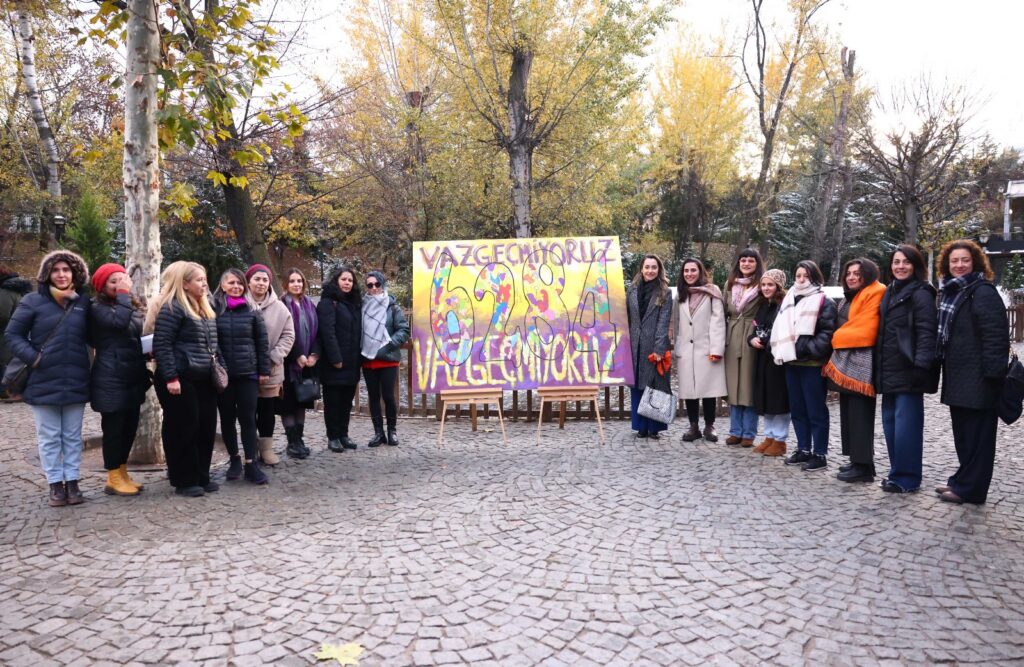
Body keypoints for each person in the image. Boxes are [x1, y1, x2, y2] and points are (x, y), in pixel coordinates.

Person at [4, 251, 91, 506]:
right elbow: (13, 335)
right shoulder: (32, 301)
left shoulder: (83, 303)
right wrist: (34, 358)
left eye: (66, 270)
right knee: (50, 435)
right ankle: (55, 484)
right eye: (56, 270)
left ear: (74, 273)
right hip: (43, 378)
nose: (62, 275)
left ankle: (72, 482)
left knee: (73, 436)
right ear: (47, 274)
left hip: (75, 377)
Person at [935, 239, 1009, 505]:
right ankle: (961, 480)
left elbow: (996, 337)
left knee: (978, 439)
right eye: (954, 260)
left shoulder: (983, 292)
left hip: (979, 380)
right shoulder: (954, 292)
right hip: (959, 378)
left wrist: (992, 379)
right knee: (964, 436)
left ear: (975, 262)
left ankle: (972, 490)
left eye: (965, 260)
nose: (959, 265)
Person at [147, 261, 220, 498]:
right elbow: (162, 344)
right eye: (199, 279)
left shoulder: (206, 308)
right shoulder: (172, 307)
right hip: (180, 378)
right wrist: (171, 377)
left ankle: (201, 475)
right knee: (183, 429)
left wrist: (220, 369)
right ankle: (184, 479)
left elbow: (214, 345)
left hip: (203, 377)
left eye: (204, 278)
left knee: (205, 427)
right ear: (185, 284)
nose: (204, 283)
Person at [874, 245, 937, 494]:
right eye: (896, 262)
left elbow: (926, 331)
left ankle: (907, 478)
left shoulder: (921, 292)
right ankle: (896, 472)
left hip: (909, 370)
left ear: (916, 265)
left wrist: (921, 366)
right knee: (891, 425)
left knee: (907, 428)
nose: (900, 266)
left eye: (906, 262)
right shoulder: (890, 291)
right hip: (888, 369)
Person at [89, 263, 150, 496]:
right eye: (112, 282)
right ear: (102, 286)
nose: (118, 285)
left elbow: (134, 333)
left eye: (121, 280)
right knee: (114, 429)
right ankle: (113, 476)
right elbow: (117, 324)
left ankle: (123, 471)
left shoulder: (130, 306)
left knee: (129, 428)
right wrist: (124, 294)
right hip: (110, 377)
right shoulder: (96, 308)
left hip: (132, 374)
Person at [771, 260, 837, 472]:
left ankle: (819, 453)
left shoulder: (823, 301)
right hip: (792, 362)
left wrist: (805, 347)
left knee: (815, 410)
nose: (801, 280)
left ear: (815, 278)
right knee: (798, 409)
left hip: (812, 363)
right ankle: (803, 449)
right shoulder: (789, 298)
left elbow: (827, 334)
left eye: (805, 276)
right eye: (798, 276)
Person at [823, 259, 885, 484]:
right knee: (848, 412)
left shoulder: (876, 292)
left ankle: (864, 467)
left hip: (861, 361)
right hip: (846, 357)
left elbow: (865, 328)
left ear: (867, 274)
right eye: (848, 273)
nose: (851, 277)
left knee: (860, 414)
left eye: (857, 273)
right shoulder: (852, 297)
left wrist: (835, 338)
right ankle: (856, 460)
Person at [213, 268, 272, 484]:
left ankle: (251, 462)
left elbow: (261, 342)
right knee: (227, 419)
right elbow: (212, 341)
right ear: (223, 285)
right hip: (223, 376)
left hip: (248, 373)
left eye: (239, 283)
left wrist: (264, 370)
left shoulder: (252, 310)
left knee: (248, 419)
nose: (236, 287)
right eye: (231, 283)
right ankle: (234, 459)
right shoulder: (213, 309)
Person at [671, 257, 726, 443]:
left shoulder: (712, 292)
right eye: (686, 271)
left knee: (708, 390)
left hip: (706, 347)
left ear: (700, 272)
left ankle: (710, 425)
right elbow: (676, 322)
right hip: (686, 349)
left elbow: (718, 321)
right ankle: (693, 426)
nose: (689, 274)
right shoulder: (681, 294)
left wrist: (716, 348)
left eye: (693, 270)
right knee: (689, 390)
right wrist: (677, 346)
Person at [246, 264, 295, 465]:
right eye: (257, 279)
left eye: (265, 280)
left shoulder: (279, 308)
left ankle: (266, 449)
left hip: (271, 368)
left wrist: (274, 356)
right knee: (248, 411)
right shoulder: (239, 303)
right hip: (245, 368)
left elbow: (288, 335)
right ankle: (249, 449)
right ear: (248, 281)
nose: (261, 283)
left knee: (267, 410)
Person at [626, 254, 674, 439]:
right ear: (641, 269)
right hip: (634, 344)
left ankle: (654, 427)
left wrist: (659, 349)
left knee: (655, 386)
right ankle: (640, 427)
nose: (650, 270)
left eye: (654, 267)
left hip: (654, 345)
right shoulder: (632, 290)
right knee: (637, 386)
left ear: (659, 269)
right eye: (647, 267)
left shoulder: (664, 292)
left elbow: (663, 321)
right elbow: (629, 317)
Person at [361, 271, 410, 447]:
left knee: (388, 396)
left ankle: (392, 431)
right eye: (370, 285)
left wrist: (389, 344)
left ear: (382, 285)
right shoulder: (362, 307)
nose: (373, 288)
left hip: (387, 358)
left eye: (377, 284)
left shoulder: (392, 307)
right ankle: (378, 433)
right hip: (368, 358)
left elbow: (403, 330)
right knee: (373, 397)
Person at [318, 266, 362, 452]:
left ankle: (344, 434)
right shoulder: (328, 302)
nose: (347, 283)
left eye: (350, 280)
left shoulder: (354, 303)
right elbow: (327, 333)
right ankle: (333, 437)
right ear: (336, 281)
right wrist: (336, 358)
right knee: (333, 402)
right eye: (344, 279)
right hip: (334, 362)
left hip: (352, 361)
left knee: (346, 402)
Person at [724, 249, 765, 447]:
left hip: (751, 335)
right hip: (732, 335)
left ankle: (749, 432)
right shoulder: (730, 284)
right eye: (743, 260)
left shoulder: (761, 285)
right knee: (734, 385)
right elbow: (723, 310)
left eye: (751, 261)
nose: (746, 264)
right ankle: (735, 431)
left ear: (757, 264)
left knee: (748, 385)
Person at [278, 268, 320, 458]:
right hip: (288, 364)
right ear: (286, 283)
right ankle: (292, 442)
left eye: (299, 281)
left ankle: (300, 440)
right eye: (292, 281)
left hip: (308, 363)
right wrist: (297, 355)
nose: (296, 284)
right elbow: (282, 334)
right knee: (288, 404)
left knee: (302, 402)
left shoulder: (309, 304)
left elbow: (318, 332)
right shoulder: (281, 305)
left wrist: (314, 355)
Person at [748, 269, 789, 457]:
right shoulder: (763, 305)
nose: (766, 288)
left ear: (778, 286)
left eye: (770, 284)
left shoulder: (784, 305)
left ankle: (780, 439)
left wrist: (765, 342)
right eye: (763, 284)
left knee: (778, 400)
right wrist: (751, 339)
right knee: (766, 398)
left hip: (777, 359)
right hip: (762, 358)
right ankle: (770, 436)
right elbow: (755, 329)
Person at [0, 264, 32, 387]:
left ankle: (7, 389)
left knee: (5, 360)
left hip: (6, 332)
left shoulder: (6, 290)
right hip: (21, 330)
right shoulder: (19, 288)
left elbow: (2, 314)